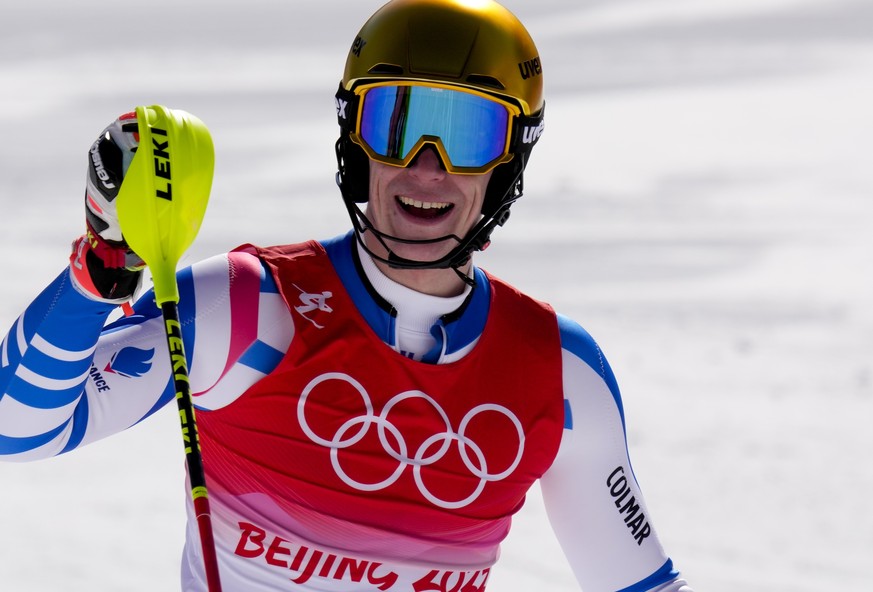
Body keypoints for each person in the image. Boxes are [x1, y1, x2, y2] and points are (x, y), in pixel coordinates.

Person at [0, 1, 695, 591]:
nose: (428, 166)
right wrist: (100, 277)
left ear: (509, 160)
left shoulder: (560, 373)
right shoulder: (245, 306)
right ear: (352, 142)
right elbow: (16, 430)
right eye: (393, 122)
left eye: (467, 133)